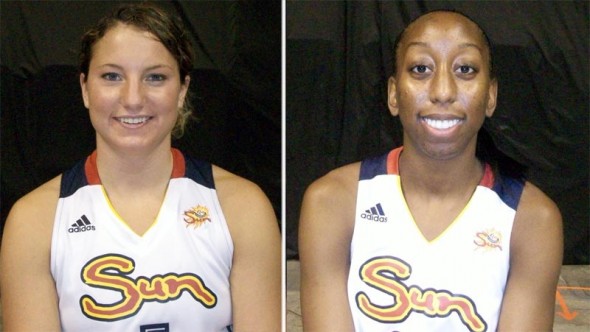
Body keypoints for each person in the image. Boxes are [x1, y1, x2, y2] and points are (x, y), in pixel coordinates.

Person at [0, 3, 281, 331]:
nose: (133, 98)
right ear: (85, 88)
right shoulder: (34, 221)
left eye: (155, 77)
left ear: (182, 90)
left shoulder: (242, 207)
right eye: (112, 76)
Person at [299, 9, 563, 332]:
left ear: (490, 95)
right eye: (421, 69)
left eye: (465, 69)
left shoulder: (532, 221)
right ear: (394, 94)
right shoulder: (332, 203)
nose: (442, 91)